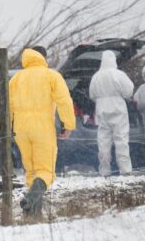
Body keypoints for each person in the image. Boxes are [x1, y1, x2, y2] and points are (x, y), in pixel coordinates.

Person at [9, 47, 75, 216]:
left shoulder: (15, 79)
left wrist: (8, 129)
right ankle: (30, 199)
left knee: (31, 171)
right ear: (43, 57)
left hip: (21, 129)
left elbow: (7, 107)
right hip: (42, 128)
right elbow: (64, 101)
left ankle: (33, 213)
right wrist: (68, 124)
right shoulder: (51, 75)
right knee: (46, 171)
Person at [88, 50, 134, 176]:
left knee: (103, 142)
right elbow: (129, 91)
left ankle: (104, 170)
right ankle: (125, 170)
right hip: (118, 108)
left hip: (102, 109)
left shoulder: (96, 76)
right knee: (121, 139)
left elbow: (92, 95)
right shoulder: (118, 74)